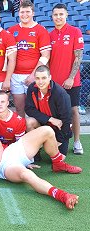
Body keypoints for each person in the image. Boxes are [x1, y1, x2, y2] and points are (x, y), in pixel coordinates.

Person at [0, 112, 81, 211]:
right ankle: (63, 196)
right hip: (5, 166)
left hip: (10, 151)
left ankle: (58, 164)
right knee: (26, 175)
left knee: (46, 131)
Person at [49, 3, 84, 155]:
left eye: (61, 14)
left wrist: (70, 78)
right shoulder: (49, 35)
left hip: (71, 81)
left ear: (66, 15)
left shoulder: (75, 31)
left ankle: (77, 141)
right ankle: (56, 141)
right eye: (55, 14)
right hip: (53, 83)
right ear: (52, 16)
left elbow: (78, 57)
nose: (58, 17)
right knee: (55, 113)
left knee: (73, 111)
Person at [7, 0, 51, 117]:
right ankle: (21, 134)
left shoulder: (41, 30)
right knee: (19, 108)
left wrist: (33, 75)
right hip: (16, 76)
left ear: (33, 13)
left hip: (34, 76)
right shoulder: (11, 31)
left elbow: (46, 55)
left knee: (36, 109)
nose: (24, 14)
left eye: (27, 12)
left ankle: (37, 134)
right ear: (18, 13)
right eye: (22, 12)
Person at [25, 65, 72, 155]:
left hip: (59, 129)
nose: (40, 82)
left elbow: (67, 119)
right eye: (37, 78)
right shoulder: (32, 88)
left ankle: (53, 144)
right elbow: (28, 109)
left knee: (60, 158)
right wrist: (50, 119)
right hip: (42, 125)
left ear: (50, 77)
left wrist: (59, 140)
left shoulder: (60, 93)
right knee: (29, 122)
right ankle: (36, 151)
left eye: (44, 78)